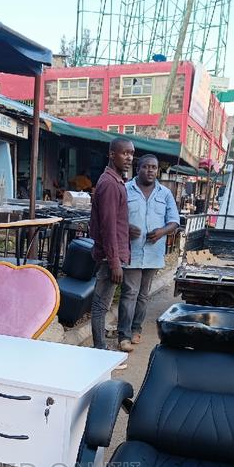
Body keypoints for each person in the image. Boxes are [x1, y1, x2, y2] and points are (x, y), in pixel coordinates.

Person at [118, 154, 179, 348]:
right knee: (130, 293)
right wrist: (126, 228)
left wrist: (162, 231)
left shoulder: (165, 193)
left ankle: (136, 329)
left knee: (143, 295)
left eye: (153, 167)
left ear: (157, 170)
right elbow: (114, 217)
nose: (150, 170)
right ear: (138, 169)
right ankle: (123, 335)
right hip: (131, 251)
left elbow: (174, 221)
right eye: (146, 167)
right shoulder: (125, 189)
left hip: (153, 253)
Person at [89, 138, 135, 356]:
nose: (129, 158)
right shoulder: (109, 183)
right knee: (100, 306)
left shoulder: (116, 181)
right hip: (110, 256)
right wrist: (115, 262)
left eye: (131, 154)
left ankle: (100, 348)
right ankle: (100, 351)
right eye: (124, 153)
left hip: (113, 254)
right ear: (111, 154)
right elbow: (107, 227)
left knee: (103, 304)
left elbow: (114, 221)